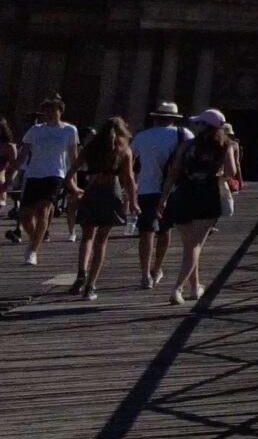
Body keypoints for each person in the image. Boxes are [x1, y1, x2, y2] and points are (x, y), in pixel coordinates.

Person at [162, 109, 238, 306]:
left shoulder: (186, 145)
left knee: (190, 246)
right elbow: (231, 172)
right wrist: (215, 176)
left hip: (184, 193)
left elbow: (174, 172)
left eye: (199, 123)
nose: (195, 127)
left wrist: (163, 199)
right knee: (194, 246)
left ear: (206, 126)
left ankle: (195, 288)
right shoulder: (225, 145)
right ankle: (177, 289)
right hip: (208, 194)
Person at [67, 118, 136, 301]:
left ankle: (81, 273)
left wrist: (75, 190)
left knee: (87, 237)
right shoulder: (124, 151)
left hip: (91, 192)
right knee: (101, 241)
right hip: (111, 194)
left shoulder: (91, 148)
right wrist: (134, 203)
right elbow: (129, 180)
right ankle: (90, 286)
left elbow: (70, 173)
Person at [129, 102, 188, 289]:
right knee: (165, 230)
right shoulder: (183, 134)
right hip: (171, 190)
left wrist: (129, 188)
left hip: (145, 189)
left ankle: (145, 275)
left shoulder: (141, 136)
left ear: (155, 117)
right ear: (174, 118)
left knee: (146, 232)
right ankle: (157, 268)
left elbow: (129, 160)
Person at [17, 96, 79, 267]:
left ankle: (33, 251)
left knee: (44, 210)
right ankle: (36, 238)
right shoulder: (35, 130)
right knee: (25, 215)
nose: (50, 114)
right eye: (47, 111)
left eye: (53, 110)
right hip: (34, 173)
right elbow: (23, 154)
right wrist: (11, 174)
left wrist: (73, 182)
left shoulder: (69, 130)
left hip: (55, 173)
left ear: (60, 111)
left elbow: (73, 158)